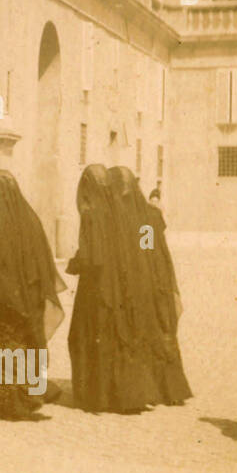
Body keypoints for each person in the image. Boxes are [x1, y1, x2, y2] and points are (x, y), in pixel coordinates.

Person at [66, 164, 164, 412]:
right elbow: (143, 252)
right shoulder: (135, 216)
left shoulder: (143, 217)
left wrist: (78, 263)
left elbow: (147, 249)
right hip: (131, 284)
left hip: (112, 286)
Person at [0, 169, 65, 419]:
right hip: (29, 298)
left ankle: (7, 402)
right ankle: (28, 394)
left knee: (1, 347)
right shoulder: (30, 220)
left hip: (0, 301)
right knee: (26, 344)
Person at [108, 165, 192, 406]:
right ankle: (168, 389)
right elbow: (155, 251)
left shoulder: (120, 219)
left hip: (143, 285)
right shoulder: (150, 215)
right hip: (157, 282)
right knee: (161, 334)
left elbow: (145, 251)